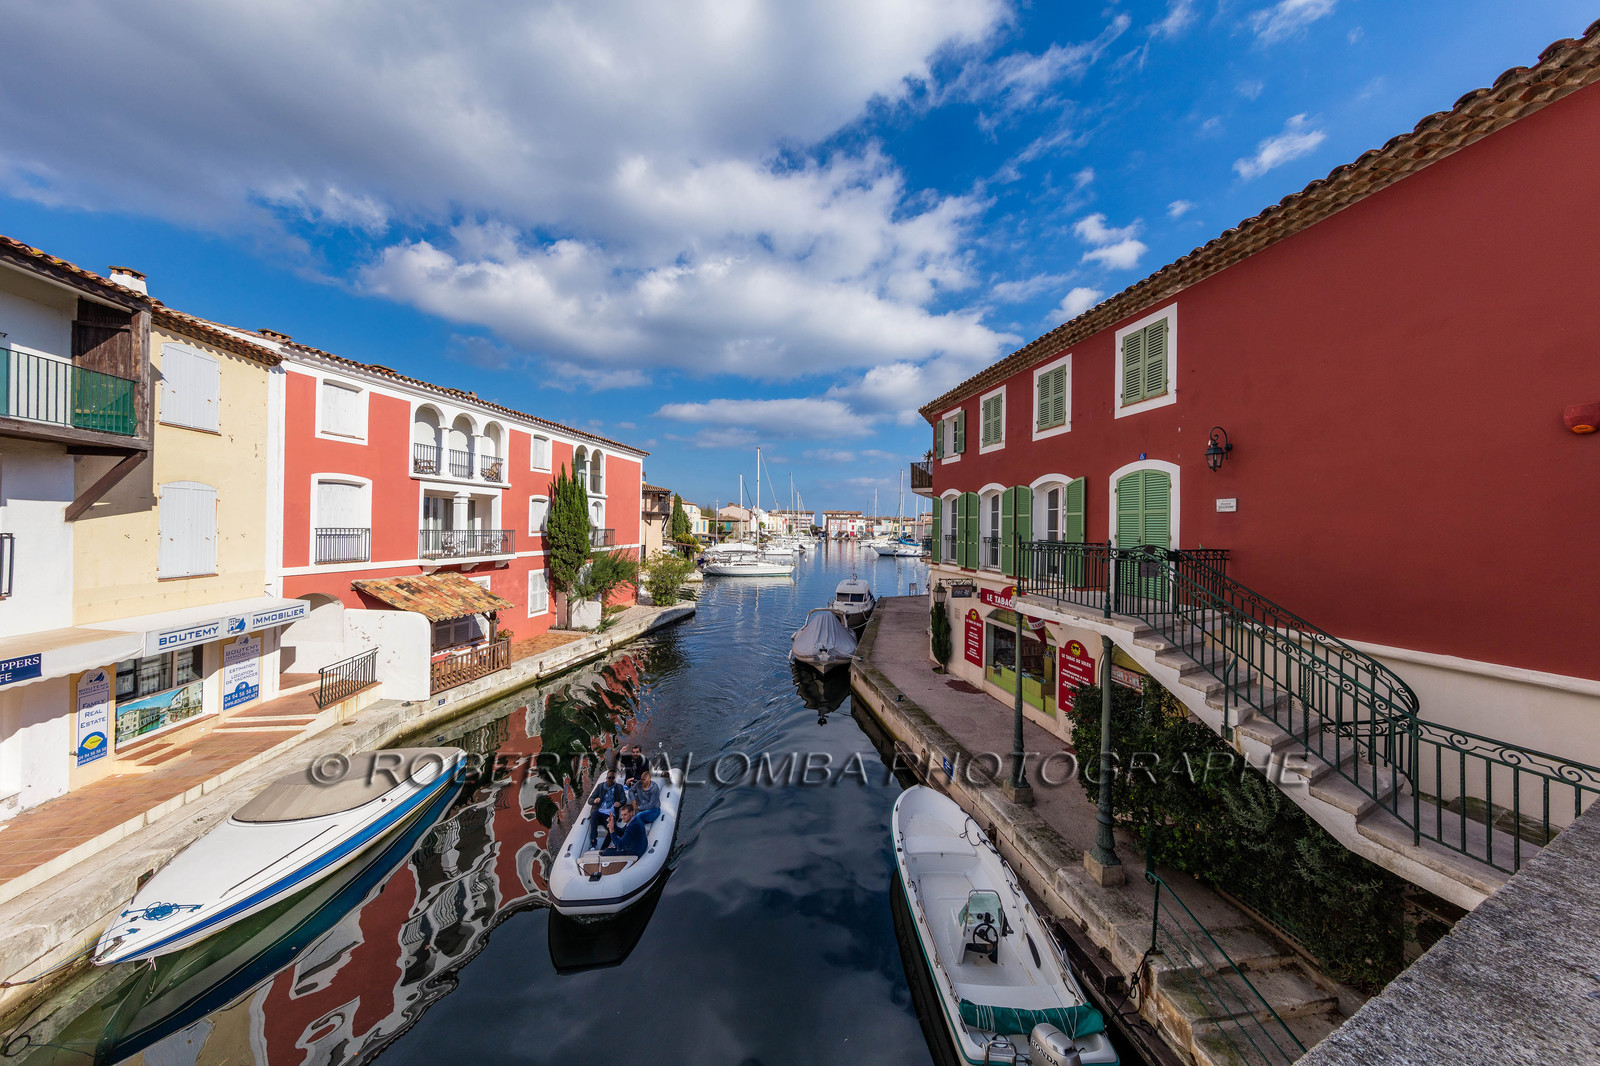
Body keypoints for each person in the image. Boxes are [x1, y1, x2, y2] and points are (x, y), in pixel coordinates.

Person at [586, 768, 628, 850]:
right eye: (609, 778)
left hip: (610, 814)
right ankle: (593, 842)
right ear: (606, 778)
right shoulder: (600, 786)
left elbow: (624, 799)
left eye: (613, 778)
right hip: (599, 812)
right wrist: (595, 800)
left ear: (615, 779)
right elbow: (590, 800)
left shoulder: (619, 787)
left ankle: (603, 848)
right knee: (594, 814)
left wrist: (619, 803)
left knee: (611, 830)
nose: (611, 780)